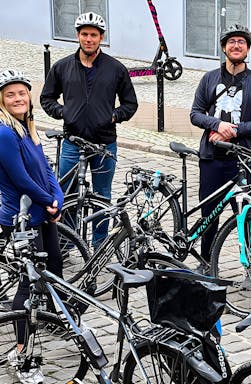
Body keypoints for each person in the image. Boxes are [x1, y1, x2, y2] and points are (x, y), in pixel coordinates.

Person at [40, 11, 138, 247]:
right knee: (67, 193)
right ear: (78, 36)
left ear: (101, 38)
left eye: (93, 35)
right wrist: (63, 112)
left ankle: (99, 244)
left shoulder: (115, 68)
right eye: (84, 34)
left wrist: (113, 116)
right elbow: (47, 98)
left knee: (102, 196)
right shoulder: (62, 67)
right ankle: (66, 242)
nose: (89, 39)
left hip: (104, 144)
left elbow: (130, 103)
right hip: (73, 142)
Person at [190, 24, 251, 279]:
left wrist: (234, 130)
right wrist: (216, 125)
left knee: (246, 214)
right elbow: (195, 113)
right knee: (209, 214)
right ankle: (206, 262)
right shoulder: (209, 79)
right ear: (224, 47)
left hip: (244, 160)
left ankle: (250, 266)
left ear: (247, 48)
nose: (236, 46)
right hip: (212, 158)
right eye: (232, 42)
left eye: (241, 42)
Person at [0, 69, 64, 384]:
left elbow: (46, 169)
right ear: (1, 100)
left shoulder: (29, 128)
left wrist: (58, 198)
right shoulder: (4, 133)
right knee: (28, 285)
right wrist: (47, 201)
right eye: (10, 94)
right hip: (22, 217)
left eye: (21, 93)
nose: (17, 99)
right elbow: (19, 178)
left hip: (42, 212)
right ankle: (21, 354)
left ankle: (52, 319)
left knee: (54, 265)